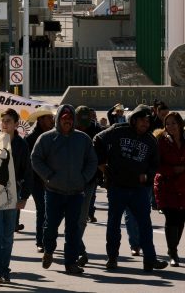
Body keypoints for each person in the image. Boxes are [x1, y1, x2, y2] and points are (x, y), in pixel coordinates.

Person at [94, 104, 168, 272]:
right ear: (133, 120)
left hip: (138, 189)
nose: (145, 124)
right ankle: (112, 258)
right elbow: (97, 139)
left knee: (145, 224)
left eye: (147, 121)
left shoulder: (150, 140)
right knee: (114, 224)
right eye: (142, 120)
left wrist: (148, 176)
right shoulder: (118, 130)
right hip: (117, 186)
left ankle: (150, 259)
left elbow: (155, 164)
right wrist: (102, 164)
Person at [32, 105, 98, 275]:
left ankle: (71, 263)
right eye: (64, 118)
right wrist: (48, 176)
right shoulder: (46, 138)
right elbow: (36, 158)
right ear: (58, 119)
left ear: (73, 120)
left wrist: (84, 178)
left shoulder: (83, 139)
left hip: (76, 192)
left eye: (69, 118)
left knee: (73, 229)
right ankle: (48, 251)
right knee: (50, 226)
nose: (67, 121)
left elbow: (92, 161)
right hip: (54, 191)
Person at [0, 108, 33, 285]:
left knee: (8, 235)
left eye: (8, 121)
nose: (4, 124)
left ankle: (5, 270)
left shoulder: (22, 145)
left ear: (16, 124)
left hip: (13, 195)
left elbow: (27, 172)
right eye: (3, 121)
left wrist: (24, 197)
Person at [153, 112, 185, 267]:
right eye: (167, 124)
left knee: (181, 219)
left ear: (180, 124)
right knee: (171, 218)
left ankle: (173, 248)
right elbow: (156, 164)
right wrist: (172, 170)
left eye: (173, 123)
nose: (170, 127)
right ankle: (172, 252)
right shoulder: (161, 141)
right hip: (166, 185)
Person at [74, 105, 103, 267]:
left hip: (89, 181)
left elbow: (100, 157)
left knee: (82, 218)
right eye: (80, 122)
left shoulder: (97, 132)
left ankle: (77, 248)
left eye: (85, 122)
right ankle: (76, 247)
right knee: (70, 217)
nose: (83, 126)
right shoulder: (68, 129)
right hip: (68, 181)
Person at [25, 105, 56, 253]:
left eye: (52, 117)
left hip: (54, 180)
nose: (52, 120)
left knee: (54, 211)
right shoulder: (31, 138)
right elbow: (29, 162)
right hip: (36, 181)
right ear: (40, 120)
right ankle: (40, 241)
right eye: (49, 118)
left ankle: (49, 238)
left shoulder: (56, 135)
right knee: (42, 209)